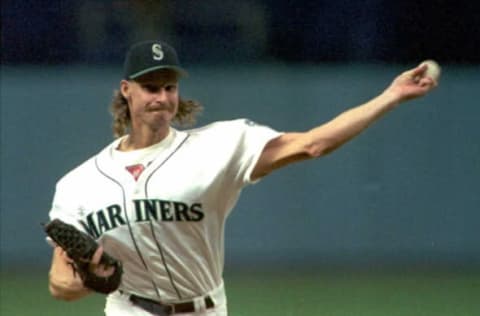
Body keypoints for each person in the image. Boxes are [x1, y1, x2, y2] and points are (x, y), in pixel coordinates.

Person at [47, 40, 438, 316]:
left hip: (206, 309)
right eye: (150, 87)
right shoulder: (79, 184)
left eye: (170, 87)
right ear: (126, 90)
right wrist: (92, 280)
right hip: (128, 310)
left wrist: (391, 95)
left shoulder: (220, 145)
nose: (162, 98)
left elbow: (313, 144)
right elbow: (58, 284)